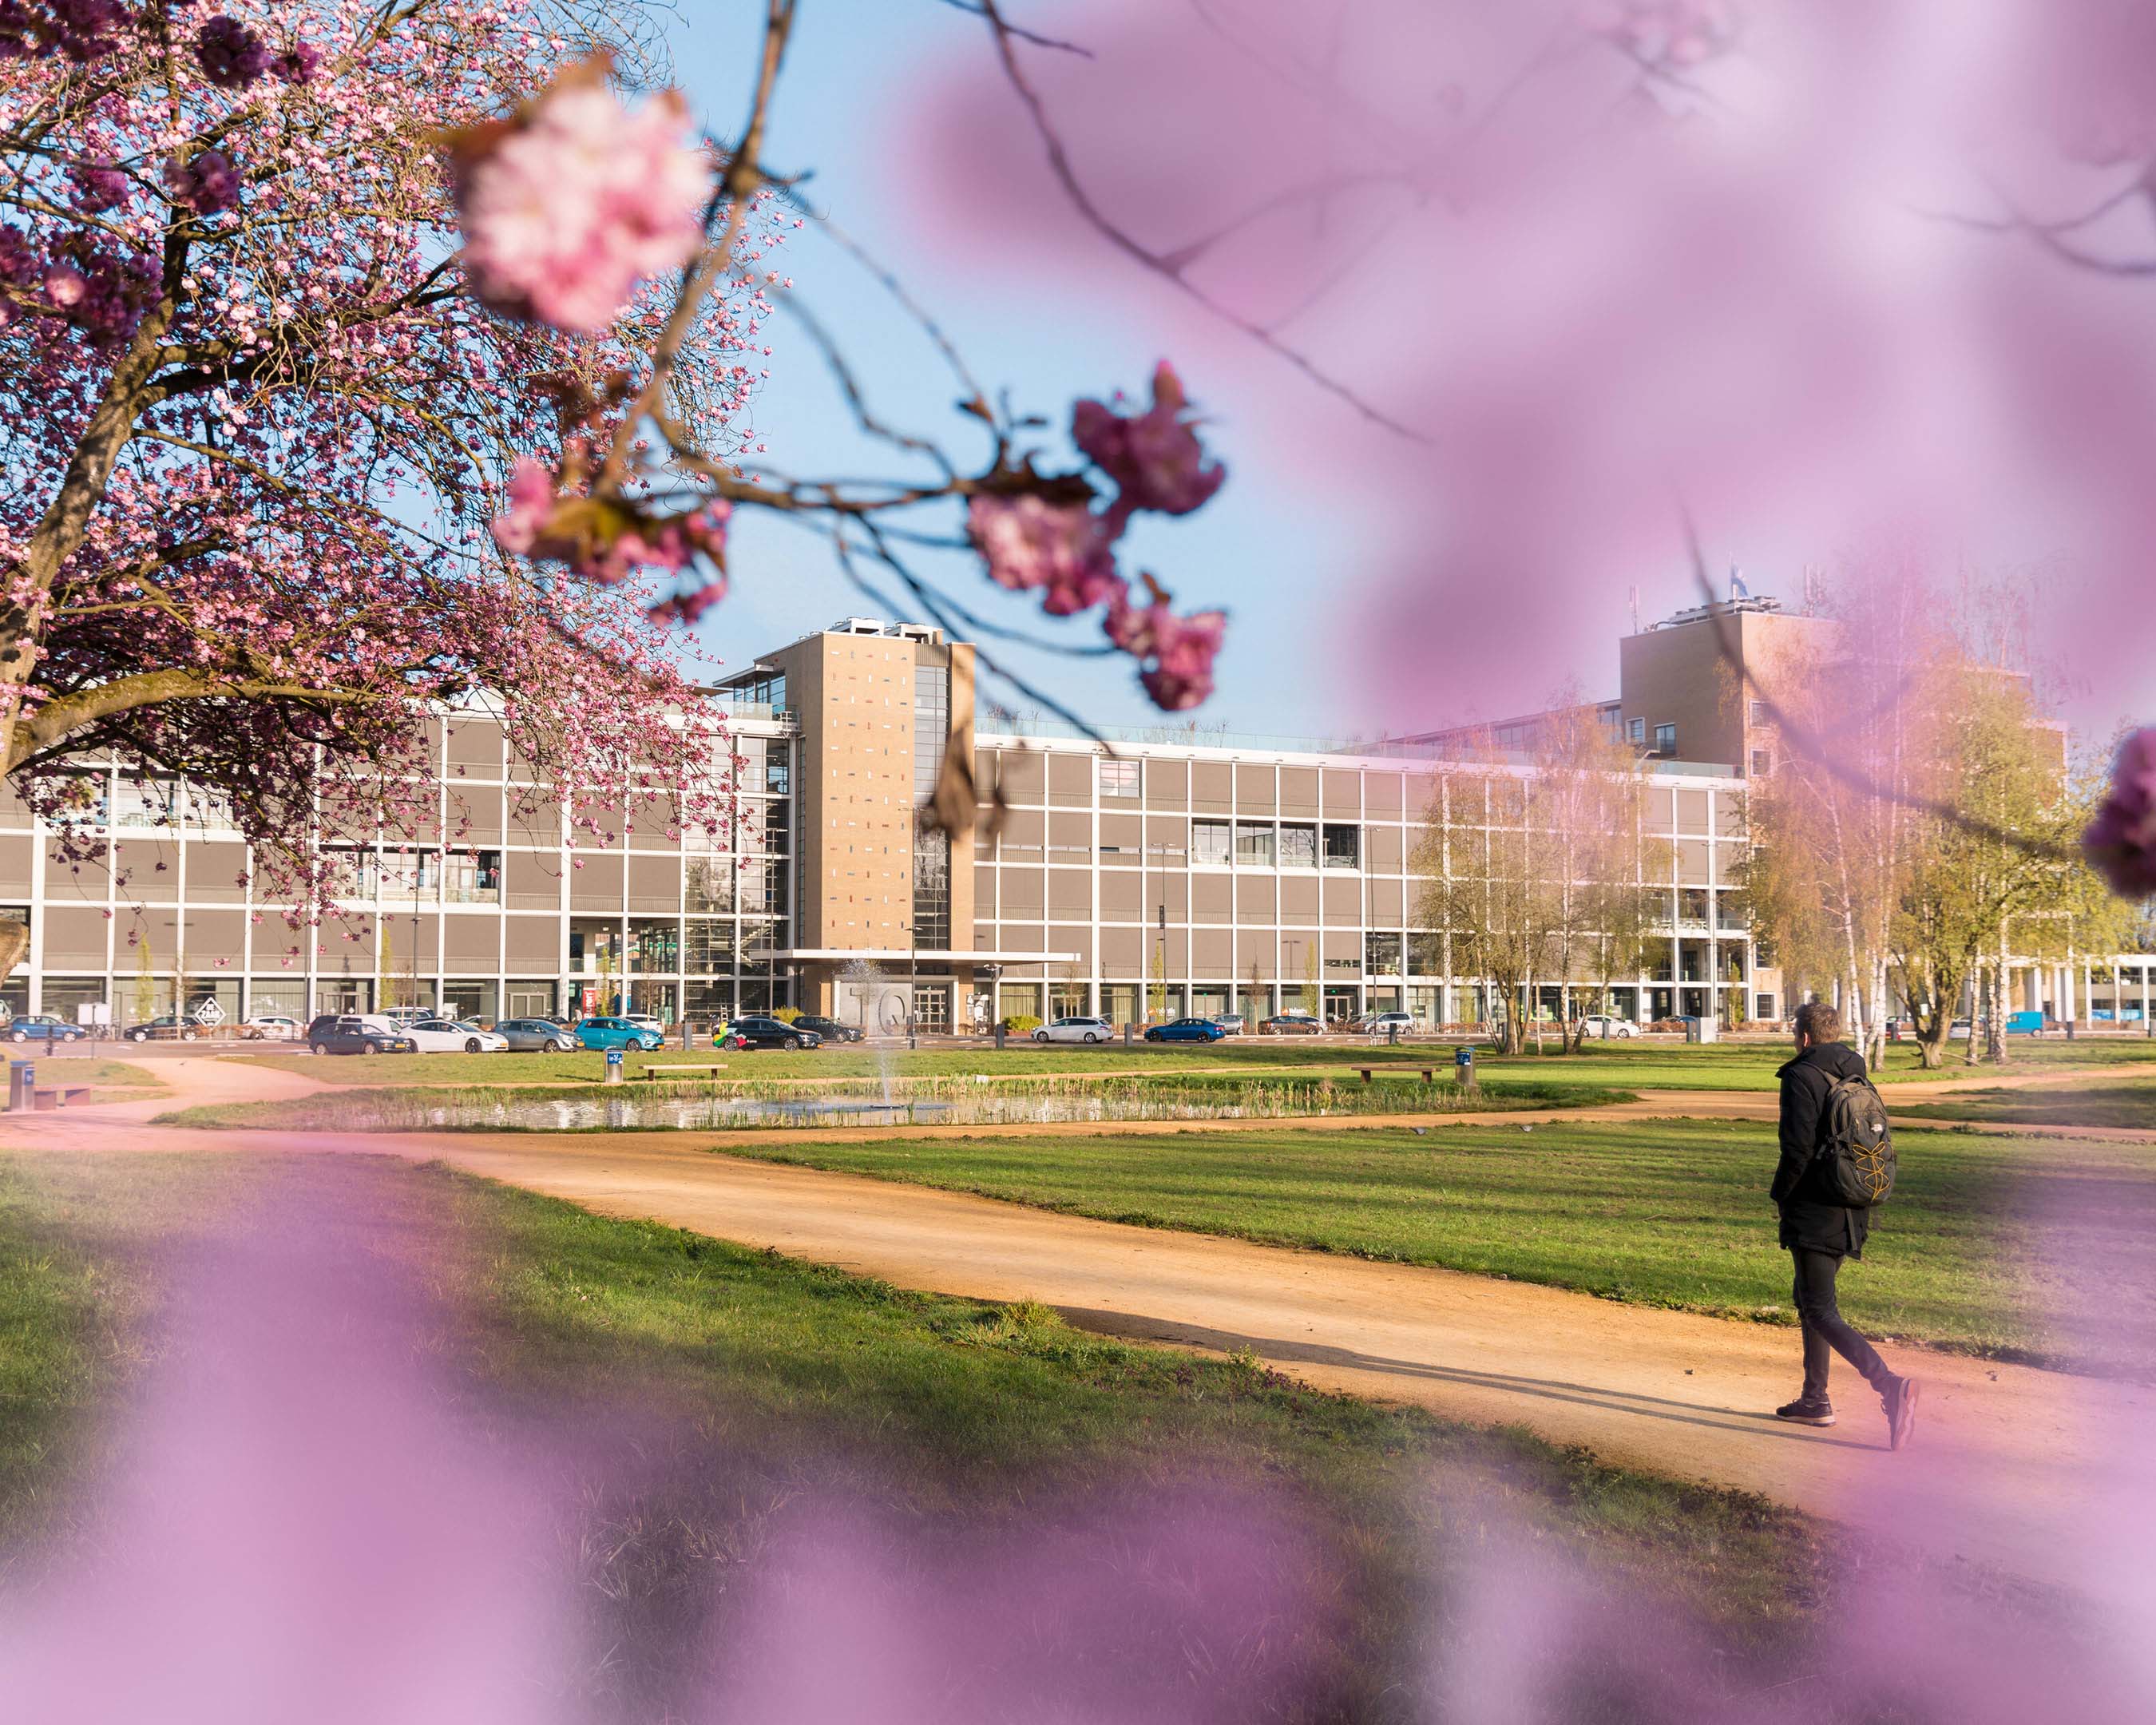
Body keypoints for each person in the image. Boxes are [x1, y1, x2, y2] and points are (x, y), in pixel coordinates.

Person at [1770, 1001, 1920, 1449]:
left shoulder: (1801, 1075)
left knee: (1819, 1308)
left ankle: (1889, 1385)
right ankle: (1814, 1400)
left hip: (1816, 1207)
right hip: (1855, 1203)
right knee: (1810, 1300)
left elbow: (1795, 1150)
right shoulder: (1856, 1073)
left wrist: (1780, 1196)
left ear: (1804, 1036)